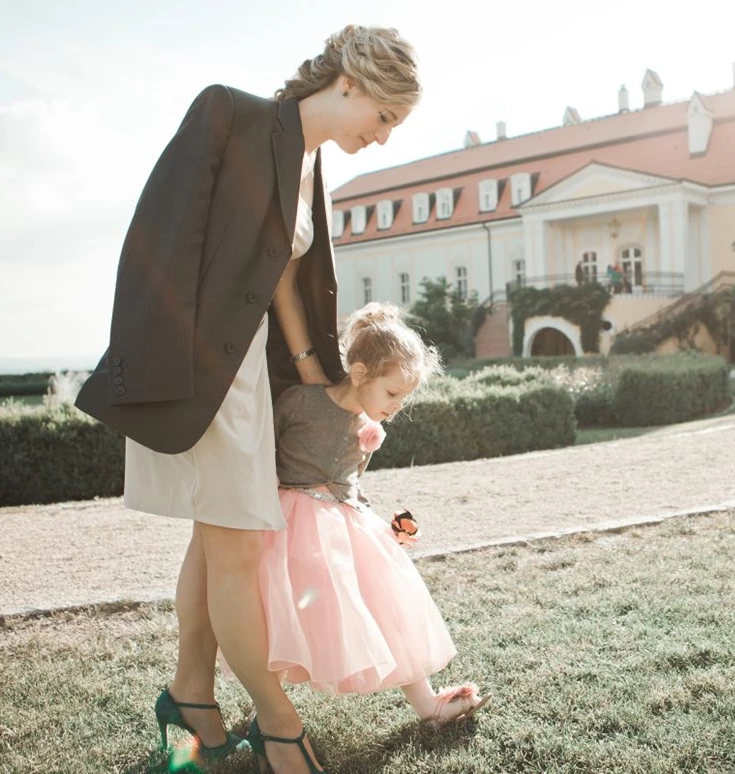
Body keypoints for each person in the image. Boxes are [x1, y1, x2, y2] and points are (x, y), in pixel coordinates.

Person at [75, 25, 423, 772]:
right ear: (353, 82)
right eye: (387, 117)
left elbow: (282, 279)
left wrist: (308, 374)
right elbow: (155, 244)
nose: (385, 137)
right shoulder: (228, 116)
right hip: (199, 378)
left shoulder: (311, 166)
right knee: (235, 556)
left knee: (215, 549)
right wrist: (173, 374)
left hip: (256, 385)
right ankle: (278, 728)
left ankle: (191, 702)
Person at [255, 301, 490, 756]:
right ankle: (267, 710)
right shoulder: (299, 403)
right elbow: (264, 452)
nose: (398, 406)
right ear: (360, 373)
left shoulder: (367, 426)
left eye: (404, 397)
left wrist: (389, 525)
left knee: (389, 603)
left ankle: (428, 703)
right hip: (290, 522)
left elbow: (351, 483)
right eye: (392, 393)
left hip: (346, 522)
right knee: (278, 614)